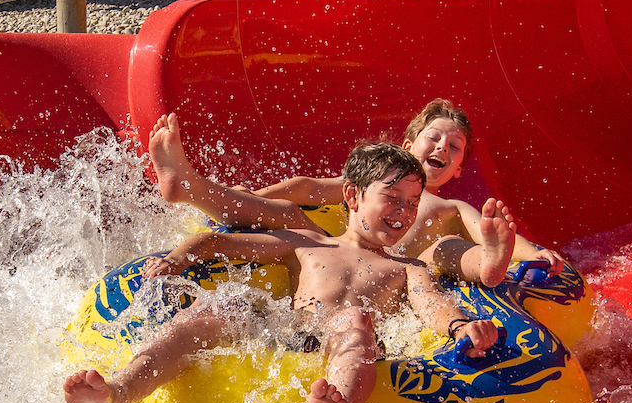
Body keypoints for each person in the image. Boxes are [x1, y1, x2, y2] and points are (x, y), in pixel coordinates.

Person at [63, 143, 515, 403]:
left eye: (412, 204)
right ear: (354, 197)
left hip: (342, 343)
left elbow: (430, 303)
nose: (403, 212)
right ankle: (117, 396)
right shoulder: (306, 241)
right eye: (392, 199)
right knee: (219, 310)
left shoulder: (405, 268)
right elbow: (226, 242)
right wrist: (180, 257)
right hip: (288, 331)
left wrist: (458, 326)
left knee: (355, 320)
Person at [145, 98, 567, 282]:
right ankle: (191, 187)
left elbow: (485, 232)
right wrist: (254, 197)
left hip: (401, 273)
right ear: (407, 145)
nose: (442, 147)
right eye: (433, 138)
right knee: (293, 218)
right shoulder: (373, 183)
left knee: (446, 248)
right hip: (338, 258)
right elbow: (309, 187)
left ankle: (488, 268)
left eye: (454, 148)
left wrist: (534, 253)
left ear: (457, 169)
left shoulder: (451, 205)